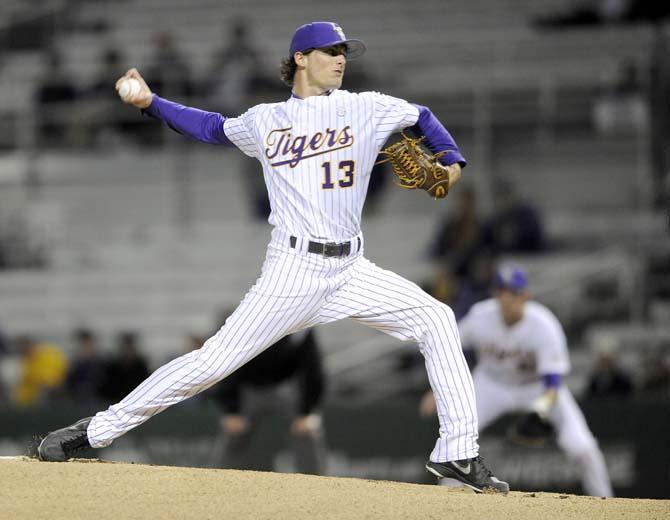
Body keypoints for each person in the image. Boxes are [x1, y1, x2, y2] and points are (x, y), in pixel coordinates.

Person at [36, 21, 507, 494]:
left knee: (437, 319)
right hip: (294, 271)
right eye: (329, 51)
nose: (341, 59)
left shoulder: (366, 107)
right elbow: (210, 127)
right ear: (300, 58)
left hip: (350, 270)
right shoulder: (265, 121)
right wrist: (151, 104)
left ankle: (457, 453)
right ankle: (94, 431)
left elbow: (421, 115)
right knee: (211, 365)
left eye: (344, 52)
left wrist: (451, 159)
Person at [419, 264, 613, 497]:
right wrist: (437, 390)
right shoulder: (481, 316)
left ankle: (606, 502)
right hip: (491, 384)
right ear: (495, 293)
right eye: (502, 291)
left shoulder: (544, 325)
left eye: (513, 292)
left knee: (582, 446)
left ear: (526, 296)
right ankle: (447, 502)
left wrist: (540, 411)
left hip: (536, 387)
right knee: (456, 439)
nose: (507, 297)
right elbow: (446, 348)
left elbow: (553, 383)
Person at [214, 328, 326, 475]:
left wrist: (307, 411)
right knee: (233, 433)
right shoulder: (248, 322)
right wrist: (231, 410)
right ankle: (219, 480)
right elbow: (227, 362)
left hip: (285, 386)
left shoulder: (301, 327)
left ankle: (315, 484)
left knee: (307, 431)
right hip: (248, 387)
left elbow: (312, 366)